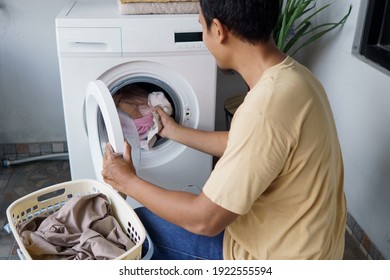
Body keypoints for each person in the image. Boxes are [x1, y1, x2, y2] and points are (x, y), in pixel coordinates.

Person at [102, 0, 347, 260]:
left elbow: (203, 221)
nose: (205, 39)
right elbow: (245, 142)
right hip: (313, 250)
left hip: (270, 259)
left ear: (218, 30)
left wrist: (128, 181)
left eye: (202, 28)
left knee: (136, 229)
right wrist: (173, 131)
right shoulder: (297, 78)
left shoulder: (264, 109)